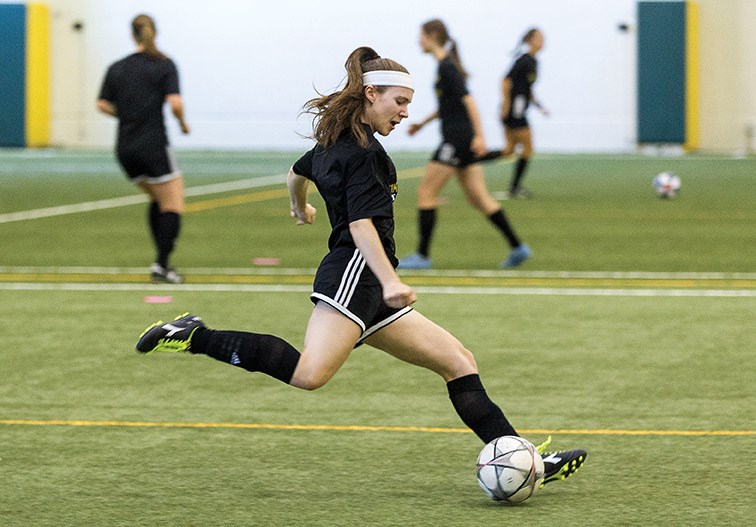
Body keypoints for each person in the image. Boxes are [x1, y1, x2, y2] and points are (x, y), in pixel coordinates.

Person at [135, 46, 586, 490]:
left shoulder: (337, 142)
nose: (406, 113)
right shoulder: (364, 154)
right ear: (371, 95)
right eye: (400, 102)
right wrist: (391, 280)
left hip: (368, 278)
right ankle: (194, 335)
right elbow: (360, 223)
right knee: (310, 373)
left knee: (457, 361)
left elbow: (296, 171)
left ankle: (524, 459)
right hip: (356, 271)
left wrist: (300, 206)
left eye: (409, 104)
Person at [396, 19, 530, 270]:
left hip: (456, 140)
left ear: (432, 35)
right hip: (460, 138)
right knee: (479, 198)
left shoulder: (447, 66)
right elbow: (449, 106)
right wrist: (423, 123)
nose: (418, 41)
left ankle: (422, 256)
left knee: (426, 193)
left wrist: (479, 136)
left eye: (421, 36)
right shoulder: (445, 66)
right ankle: (518, 247)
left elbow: (469, 102)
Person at [96, 14, 189, 284]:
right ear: (154, 32)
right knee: (173, 202)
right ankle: (162, 265)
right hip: (153, 144)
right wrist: (183, 124)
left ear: (132, 35)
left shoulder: (117, 67)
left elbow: (102, 104)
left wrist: (127, 115)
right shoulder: (164, 64)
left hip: (125, 148)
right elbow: (175, 103)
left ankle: (161, 261)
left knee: (158, 200)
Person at [482, 28, 548, 199]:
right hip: (514, 112)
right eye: (540, 37)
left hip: (518, 111)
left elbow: (527, 88)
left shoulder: (534, 62)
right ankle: (515, 188)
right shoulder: (524, 60)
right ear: (530, 40)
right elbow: (505, 80)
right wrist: (506, 105)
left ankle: (469, 161)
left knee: (509, 150)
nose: (543, 40)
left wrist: (539, 106)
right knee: (527, 148)